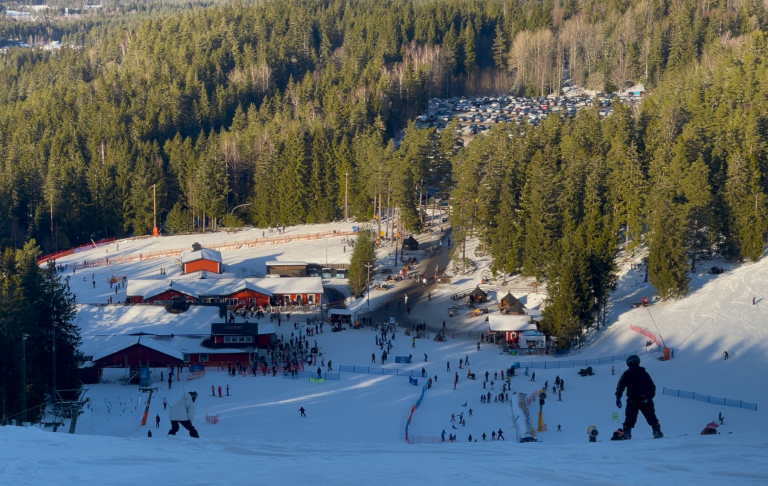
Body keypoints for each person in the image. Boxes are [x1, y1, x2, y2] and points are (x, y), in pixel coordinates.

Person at [615, 355, 663, 440]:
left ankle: (627, 435)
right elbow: (652, 387)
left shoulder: (627, 373)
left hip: (632, 400)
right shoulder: (645, 373)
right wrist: (649, 398)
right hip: (644, 399)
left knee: (629, 418)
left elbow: (620, 386)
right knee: (651, 417)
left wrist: (618, 397)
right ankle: (657, 432)